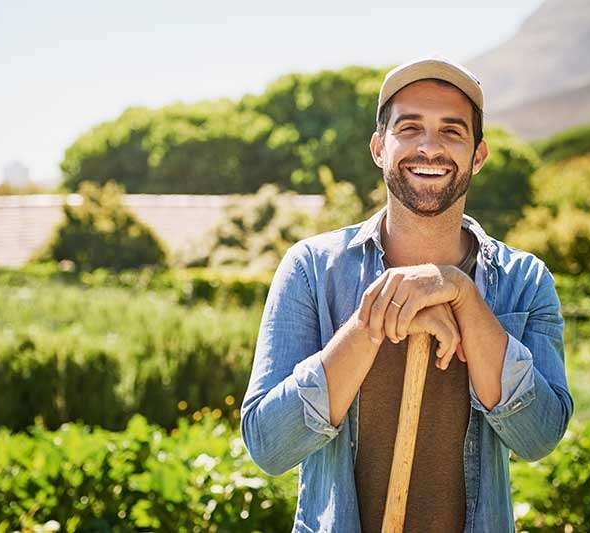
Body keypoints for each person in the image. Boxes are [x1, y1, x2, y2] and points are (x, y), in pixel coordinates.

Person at [240, 54, 573, 533]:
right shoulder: (312, 269)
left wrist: (461, 294)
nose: (430, 147)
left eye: (452, 131)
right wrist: (373, 322)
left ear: (478, 155)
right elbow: (269, 446)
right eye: (410, 128)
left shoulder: (525, 280)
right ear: (379, 147)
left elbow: (538, 437)